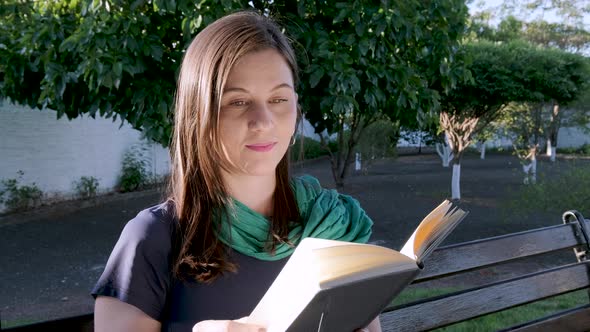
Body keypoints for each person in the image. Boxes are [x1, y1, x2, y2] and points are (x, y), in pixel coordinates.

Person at [92, 10, 381, 332]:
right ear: (198, 111)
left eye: (278, 99)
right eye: (238, 102)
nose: (263, 121)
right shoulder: (154, 237)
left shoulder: (332, 223)